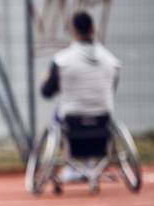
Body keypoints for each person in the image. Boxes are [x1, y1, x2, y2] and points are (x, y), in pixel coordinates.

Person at [40, 10, 122, 180]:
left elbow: (46, 91)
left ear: (73, 31)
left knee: (58, 116)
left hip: (72, 121)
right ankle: (90, 164)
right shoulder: (111, 61)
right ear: (94, 29)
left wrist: (49, 79)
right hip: (103, 121)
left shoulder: (61, 60)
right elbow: (111, 88)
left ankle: (72, 168)